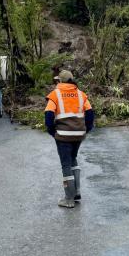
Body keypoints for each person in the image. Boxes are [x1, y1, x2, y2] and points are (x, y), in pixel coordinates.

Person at [44, 70, 94, 208]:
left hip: (63, 135)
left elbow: (49, 115)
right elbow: (90, 113)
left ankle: (69, 199)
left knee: (66, 164)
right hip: (78, 135)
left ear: (59, 81)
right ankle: (76, 192)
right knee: (73, 159)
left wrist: (52, 132)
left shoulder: (55, 94)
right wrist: (86, 129)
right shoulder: (81, 94)